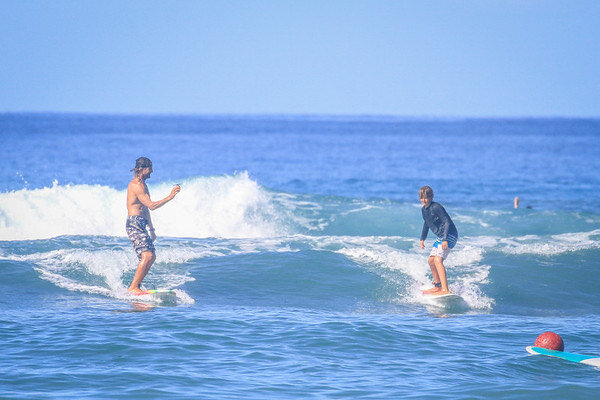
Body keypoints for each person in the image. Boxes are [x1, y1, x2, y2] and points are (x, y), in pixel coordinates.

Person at [126, 157, 180, 293]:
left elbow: (145, 209)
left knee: (151, 256)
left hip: (141, 223)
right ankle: (133, 287)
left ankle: (136, 286)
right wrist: (170, 196)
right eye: (150, 168)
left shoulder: (143, 185)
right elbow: (151, 205)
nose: (152, 172)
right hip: (134, 223)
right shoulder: (136, 185)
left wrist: (151, 229)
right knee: (148, 256)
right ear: (142, 169)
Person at [418, 186, 458, 295]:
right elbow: (426, 224)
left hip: (449, 234)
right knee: (431, 261)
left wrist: (445, 239)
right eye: (422, 198)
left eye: (426, 197)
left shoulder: (436, 207)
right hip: (441, 237)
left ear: (431, 197)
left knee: (437, 260)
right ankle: (438, 286)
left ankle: (445, 289)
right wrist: (422, 239)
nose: (424, 200)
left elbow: (446, 222)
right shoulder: (424, 209)